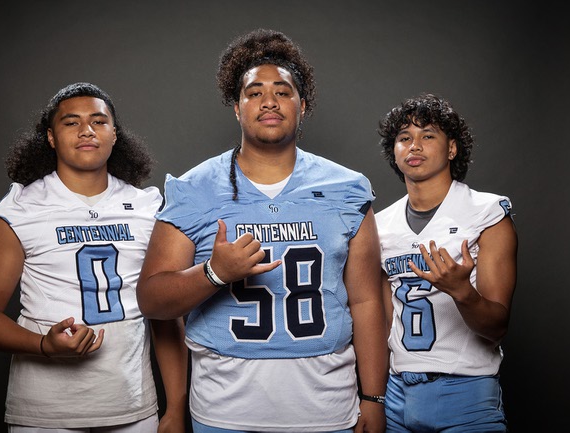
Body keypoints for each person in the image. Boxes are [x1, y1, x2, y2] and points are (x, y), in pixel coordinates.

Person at [136, 29, 389, 433]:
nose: (268, 101)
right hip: (224, 409)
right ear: (237, 108)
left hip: (327, 407)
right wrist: (213, 274)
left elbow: (365, 302)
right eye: (254, 92)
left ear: (302, 106)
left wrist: (374, 397)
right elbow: (151, 300)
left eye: (282, 91)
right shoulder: (194, 188)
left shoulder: (347, 188)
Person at [0, 82, 188, 433]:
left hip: (132, 407)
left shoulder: (147, 207)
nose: (87, 130)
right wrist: (42, 345)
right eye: (71, 122)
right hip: (44, 412)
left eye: (99, 121)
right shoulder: (21, 208)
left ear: (115, 135)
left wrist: (175, 407)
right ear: (51, 137)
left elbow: (164, 312)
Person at [375, 93, 518, 432]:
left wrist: (462, 292)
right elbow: (382, 322)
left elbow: (496, 327)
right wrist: (373, 396)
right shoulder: (380, 225)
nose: (414, 146)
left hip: (465, 392)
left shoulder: (486, 214)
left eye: (428, 136)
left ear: (451, 149)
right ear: (394, 152)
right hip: (397, 393)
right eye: (404, 138)